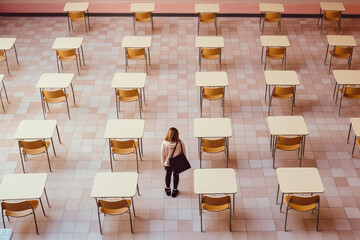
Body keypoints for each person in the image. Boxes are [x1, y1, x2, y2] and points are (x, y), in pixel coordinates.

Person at [161, 127, 186, 198]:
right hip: (177, 163)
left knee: (168, 175)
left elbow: (163, 154)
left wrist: (163, 162)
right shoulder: (180, 143)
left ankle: (168, 189)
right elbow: (183, 153)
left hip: (167, 163)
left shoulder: (164, 143)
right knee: (176, 175)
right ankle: (175, 190)